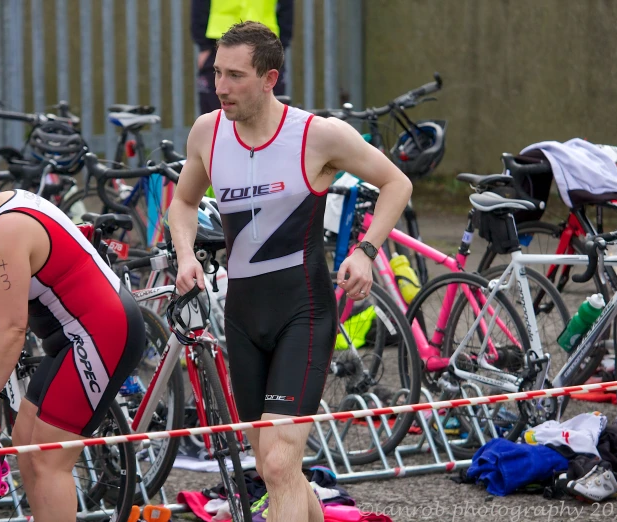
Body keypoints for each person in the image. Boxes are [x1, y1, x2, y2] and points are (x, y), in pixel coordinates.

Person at [168, 21, 413, 522]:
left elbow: (397, 183)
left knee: (280, 462)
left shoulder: (317, 134)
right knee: (272, 464)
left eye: (235, 75)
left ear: (268, 78)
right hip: (241, 316)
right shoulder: (207, 132)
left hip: (301, 312)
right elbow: (184, 203)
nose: (219, 87)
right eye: (216, 72)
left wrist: (365, 250)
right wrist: (186, 253)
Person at [0, 154, 146, 522]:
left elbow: (13, 328)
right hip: (74, 336)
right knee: (25, 444)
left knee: (49, 459)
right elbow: (13, 323)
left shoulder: (6, 232)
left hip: (100, 334)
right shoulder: (12, 204)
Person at [192, 0, 294, 114]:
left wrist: (281, 45)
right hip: (220, 42)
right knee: (215, 112)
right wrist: (204, 46)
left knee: (269, 112)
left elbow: (287, 7)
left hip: (265, 44)